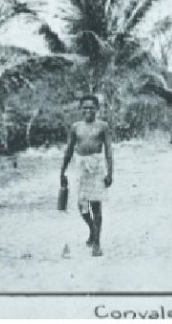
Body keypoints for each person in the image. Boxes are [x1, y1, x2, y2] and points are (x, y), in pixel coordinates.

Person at [60, 94, 113, 257]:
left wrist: (110, 173)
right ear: (81, 109)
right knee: (82, 206)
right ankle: (92, 230)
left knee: (96, 206)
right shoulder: (76, 127)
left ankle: (97, 243)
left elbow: (109, 151)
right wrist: (62, 171)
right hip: (81, 166)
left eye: (91, 107)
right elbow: (69, 149)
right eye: (85, 107)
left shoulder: (103, 126)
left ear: (97, 109)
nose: (88, 110)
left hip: (97, 167)